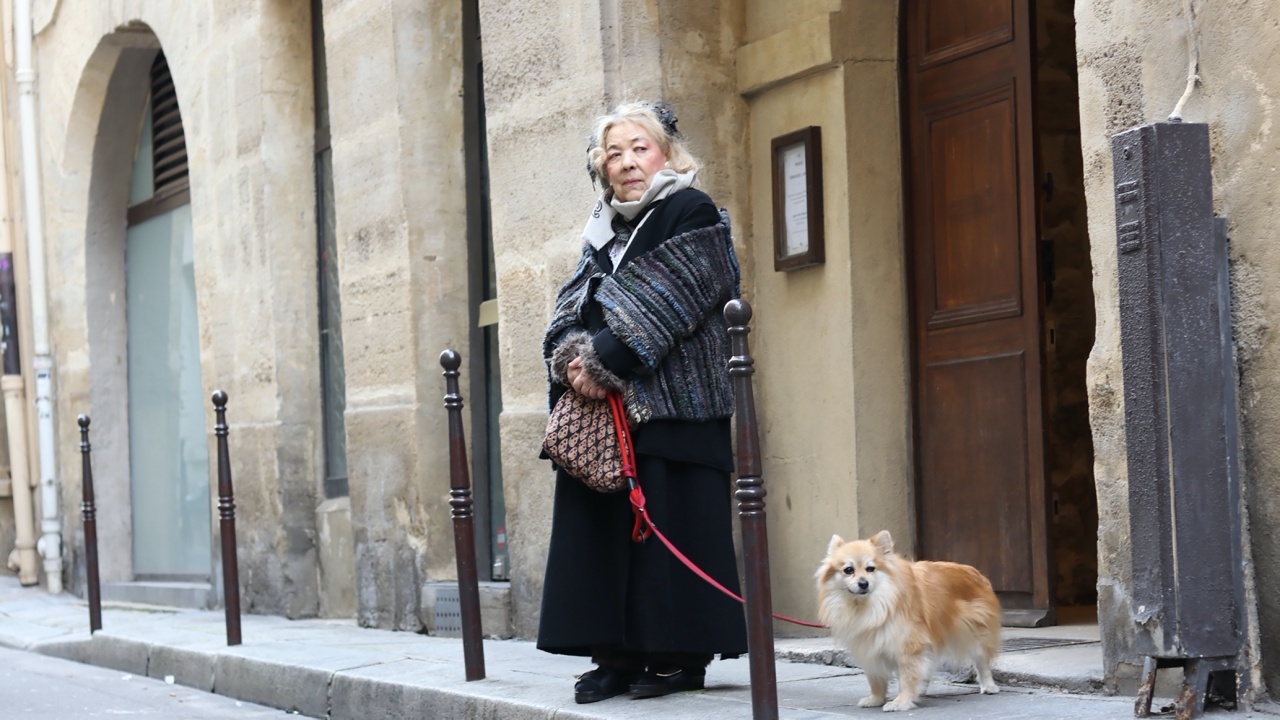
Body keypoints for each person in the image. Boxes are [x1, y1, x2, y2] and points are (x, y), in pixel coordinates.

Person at [538, 101, 748, 704]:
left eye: (639, 148)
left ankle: (678, 657)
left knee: (672, 523)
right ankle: (617, 656)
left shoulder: (692, 209)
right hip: (608, 410)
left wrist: (605, 361)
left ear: (666, 153)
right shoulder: (603, 226)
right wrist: (573, 357)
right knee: (605, 528)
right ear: (602, 168)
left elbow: (675, 294)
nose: (627, 162)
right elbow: (571, 304)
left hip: (676, 404)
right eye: (614, 153)